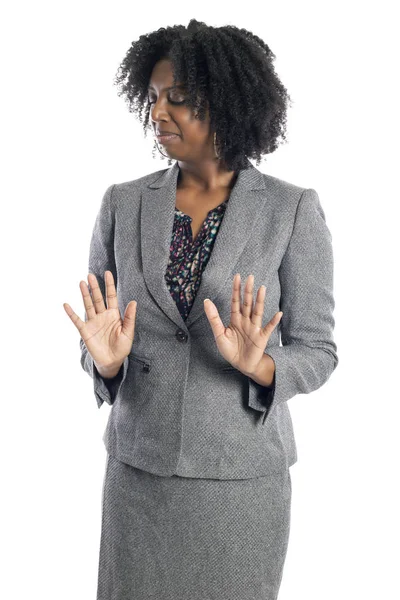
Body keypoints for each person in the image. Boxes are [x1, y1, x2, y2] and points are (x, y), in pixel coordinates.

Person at [63, 18, 339, 600]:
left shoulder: (291, 211)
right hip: (139, 475)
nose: (159, 114)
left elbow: (318, 350)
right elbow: (98, 332)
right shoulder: (123, 203)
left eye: (179, 100)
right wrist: (105, 363)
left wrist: (263, 367)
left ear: (229, 105)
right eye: (154, 98)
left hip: (240, 483)